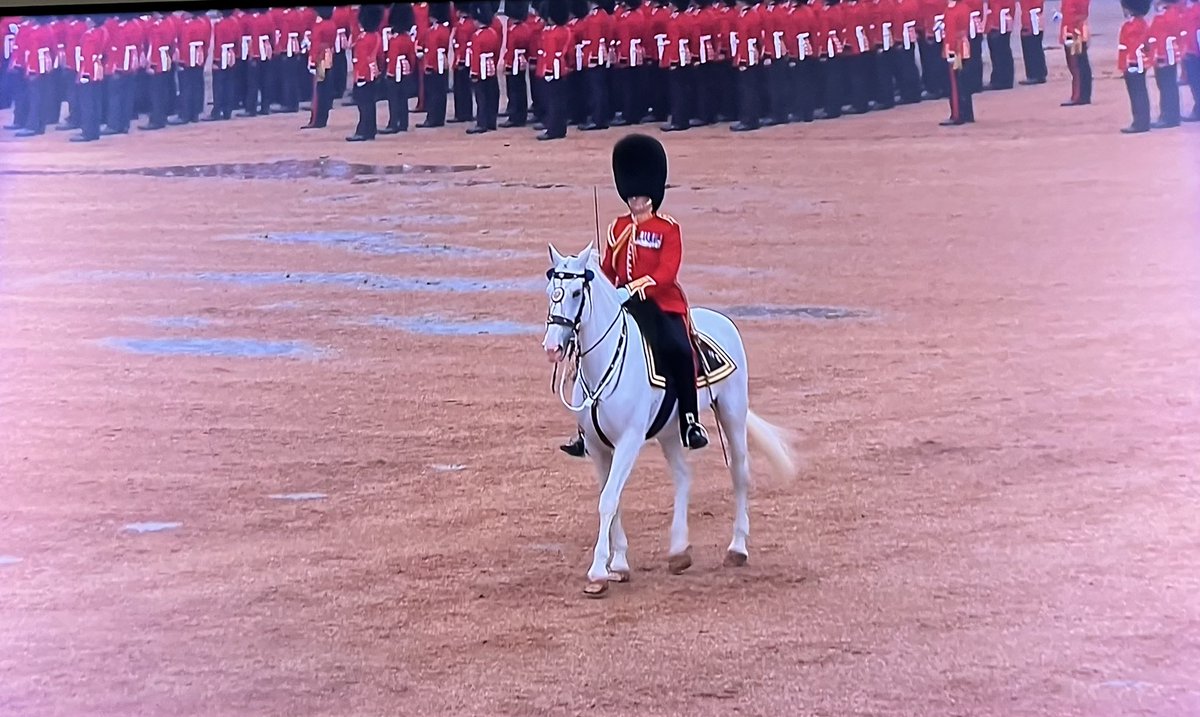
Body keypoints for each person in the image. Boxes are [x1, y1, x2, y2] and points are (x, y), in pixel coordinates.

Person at [560, 134, 709, 458]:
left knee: (678, 349)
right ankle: (585, 429)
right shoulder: (617, 227)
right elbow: (609, 268)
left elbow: (666, 273)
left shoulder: (667, 228)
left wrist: (634, 288)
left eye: (639, 196)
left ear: (652, 196)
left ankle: (689, 420)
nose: (634, 201)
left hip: (660, 303)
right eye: (630, 195)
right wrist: (604, 288)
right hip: (624, 303)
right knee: (587, 351)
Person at [536, 0, 574, 139]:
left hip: (552, 69)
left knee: (552, 101)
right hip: (562, 68)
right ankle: (560, 128)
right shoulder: (566, 30)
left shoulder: (551, 33)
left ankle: (552, 129)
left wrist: (548, 70)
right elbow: (570, 52)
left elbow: (550, 53)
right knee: (559, 101)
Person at [1146, 0, 1185, 127]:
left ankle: (1169, 117)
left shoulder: (1164, 16)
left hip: (1164, 57)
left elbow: (1160, 38)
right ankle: (1171, 115)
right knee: (1169, 85)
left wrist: (1160, 57)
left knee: (1166, 86)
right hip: (1169, 55)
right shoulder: (1174, 13)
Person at [347, 4, 383, 140]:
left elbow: (361, 59)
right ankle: (370, 129)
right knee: (370, 102)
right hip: (374, 72)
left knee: (363, 103)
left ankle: (364, 130)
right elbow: (380, 57)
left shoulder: (363, 39)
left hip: (364, 74)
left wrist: (360, 77)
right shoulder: (376, 36)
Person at [1117, 0, 1152, 133]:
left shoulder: (1132, 26)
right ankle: (1141, 121)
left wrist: (1130, 64)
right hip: (1136, 64)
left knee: (1137, 93)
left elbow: (1133, 47)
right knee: (1139, 92)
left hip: (1134, 64)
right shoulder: (1139, 24)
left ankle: (1140, 122)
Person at [382, 2, 417, 133]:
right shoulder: (408, 38)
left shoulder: (395, 40)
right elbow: (411, 57)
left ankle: (394, 123)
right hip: (405, 70)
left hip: (395, 71)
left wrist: (390, 73)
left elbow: (392, 58)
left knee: (394, 98)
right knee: (403, 97)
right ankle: (403, 122)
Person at [466, 2, 501, 133]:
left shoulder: (477, 36)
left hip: (480, 69)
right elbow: (496, 52)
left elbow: (475, 56)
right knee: (492, 95)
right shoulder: (493, 33)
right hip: (491, 68)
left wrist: (474, 73)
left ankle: (482, 123)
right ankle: (491, 121)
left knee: (481, 97)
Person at [418, 1, 452, 126]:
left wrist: (429, 65)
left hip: (435, 65)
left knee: (434, 92)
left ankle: (433, 118)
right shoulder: (442, 29)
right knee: (439, 92)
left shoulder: (436, 31)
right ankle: (437, 117)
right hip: (440, 64)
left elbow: (432, 49)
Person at [940, 0, 973, 124]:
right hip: (963, 47)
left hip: (955, 49)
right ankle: (967, 113)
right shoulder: (964, 7)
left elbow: (950, 33)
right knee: (963, 81)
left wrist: (950, 50)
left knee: (954, 82)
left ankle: (957, 114)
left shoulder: (952, 10)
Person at [1059, 0, 1091, 105]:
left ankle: (1079, 96)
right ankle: (1083, 95)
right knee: (1080, 63)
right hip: (1077, 30)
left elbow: (1070, 15)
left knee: (1076, 64)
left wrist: (1069, 33)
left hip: (1073, 32)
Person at [1017, 0, 1047, 84]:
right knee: (1033, 43)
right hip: (1031, 14)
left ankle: (1036, 74)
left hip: (1032, 15)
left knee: (1032, 44)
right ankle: (1038, 73)